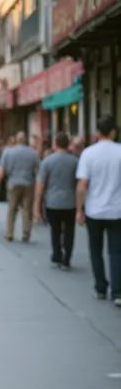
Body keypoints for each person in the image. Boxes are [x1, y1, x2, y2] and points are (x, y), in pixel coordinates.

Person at [76, 115, 121, 307]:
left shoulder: (88, 153)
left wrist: (79, 209)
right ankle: (118, 292)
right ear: (113, 132)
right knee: (116, 252)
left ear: (97, 133)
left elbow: (82, 185)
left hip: (94, 210)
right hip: (117, 210)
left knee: (95, 250)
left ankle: (100, 287)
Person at [33, 132, 78, 269]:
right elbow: (80, 183)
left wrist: (37, 207)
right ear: (68, 144)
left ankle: (57, 254)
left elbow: (40, 185)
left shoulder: (47, 161)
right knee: (69, 230)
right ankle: (67, 258)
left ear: (55, 144)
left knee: (55, 230)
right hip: (70, 202)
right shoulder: (75, 161)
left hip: (52, 202)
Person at [0, 131, 40, 242]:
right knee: (27, 209)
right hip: (28, 183)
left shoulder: (8, 152)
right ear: (25, 140)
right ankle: (26, 233)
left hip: (13, 182)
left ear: (16, 140)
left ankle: (9, 233)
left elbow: (3, 169)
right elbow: (38, 168)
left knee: (12, 209)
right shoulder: (33, 153)